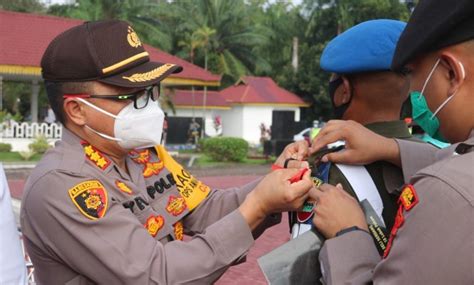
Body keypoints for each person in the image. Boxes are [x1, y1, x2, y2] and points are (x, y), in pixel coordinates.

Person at [20, 20, 315, 284]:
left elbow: (206, 208)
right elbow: (157, 275)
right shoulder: (62, 186)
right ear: (77, 110)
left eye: (149, 91)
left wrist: (278, 178)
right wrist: (259, 206)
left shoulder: (143, 155)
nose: (147, 105)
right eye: (129, 96)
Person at [310, 1, 474, 283]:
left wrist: (349, 234)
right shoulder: (448, 163)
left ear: (451, 72)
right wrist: (390, 148)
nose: (412, 92)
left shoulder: (445, 192)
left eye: (414, 76)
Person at [286, 19, 414, 284]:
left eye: (333, 80)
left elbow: (301, 274)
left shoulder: (328, 169)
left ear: (343, 90)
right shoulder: (440, 159)